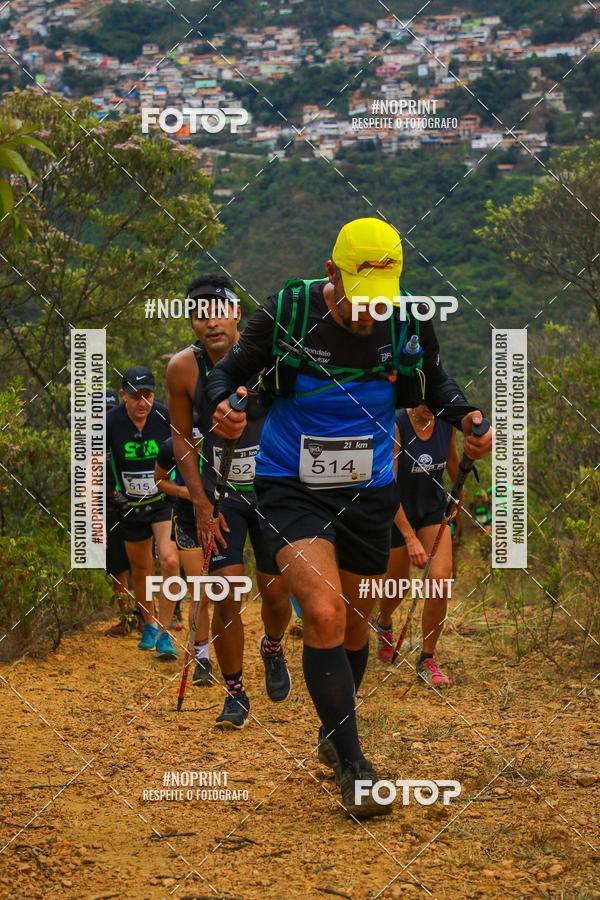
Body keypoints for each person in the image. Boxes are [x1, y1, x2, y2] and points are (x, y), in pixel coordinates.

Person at [206, 217, 492, 817]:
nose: (369, 317)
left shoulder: (408, 317)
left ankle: (334, 736)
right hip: (290, 485)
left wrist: (465, 417)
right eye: (361, 304)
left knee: (357, 625)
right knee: (325, 611)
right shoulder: (289, 309)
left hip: (369, 492)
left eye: (379, 305)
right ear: (333, 276)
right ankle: (358, 769)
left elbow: (431, 382)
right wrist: (223, 406)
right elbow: (227, 372)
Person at [166, 274, 292, 727]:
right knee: (226, 591)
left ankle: (273, 647)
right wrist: (198, 502)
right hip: (221, 497)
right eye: (200, 315)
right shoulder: (183, 369)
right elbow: (181, 438)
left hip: (275, 488)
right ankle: (235, 692)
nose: (210, 322)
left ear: (237, 313)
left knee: (277, 595)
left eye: (219, 311)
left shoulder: (269, 357)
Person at [375, 404, 462, 686]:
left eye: (435, 404)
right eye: (425, 403)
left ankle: (427, 659)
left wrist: (458, 497)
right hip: (397, 510)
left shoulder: (446, 424)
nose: (430, 411)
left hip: (432, 509)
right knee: (397, 585)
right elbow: (388, 483)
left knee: (440, 581)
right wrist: (410, 538)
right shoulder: (397, 425)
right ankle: (385, 622)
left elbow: (453, 463)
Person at [106, 367, 180, 659]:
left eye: (147, 396)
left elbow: (186, 451)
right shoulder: (110, 423)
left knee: (171, 560)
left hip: (162, 500)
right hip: (130, 505)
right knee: (141, 569)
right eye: (135, 397)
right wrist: (114, 494)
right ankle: (148, 624)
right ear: (123, 395)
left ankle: (165, 632)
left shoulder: (164, 416)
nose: (142, 403)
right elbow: (94, 462)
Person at [154, 436, 213, 685]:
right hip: (188, 521)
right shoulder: (171, 445)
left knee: (222, 591)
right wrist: (183, 492)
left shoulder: (221, 437)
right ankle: (202, 656)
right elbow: (159, 480)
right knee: (200, 590)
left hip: (224, 517)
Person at [104, 390, 139, 638]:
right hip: (108, 509)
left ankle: (146, 616)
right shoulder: (91, 443)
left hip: (132, 507)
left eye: (108, 410)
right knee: (117, 566)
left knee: (140, 563)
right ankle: (127, 617)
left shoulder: (126, 436)